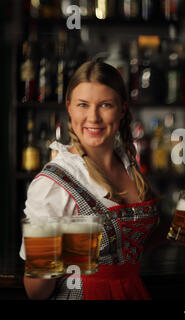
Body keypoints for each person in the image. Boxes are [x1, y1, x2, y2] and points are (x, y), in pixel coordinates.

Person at [19, 61, 163, 300]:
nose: (93, 117)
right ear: (69, 108)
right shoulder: (52, 185)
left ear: (122, 108)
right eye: (82, 105)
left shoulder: (126, 163)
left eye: (105, 105)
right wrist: (55, 248)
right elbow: (36, 292)